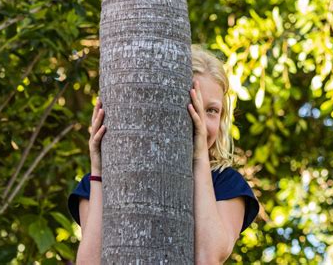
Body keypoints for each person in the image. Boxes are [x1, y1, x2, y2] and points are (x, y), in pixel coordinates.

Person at [67, 45, 259, 264]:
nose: (201, 122)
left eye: (211, 111)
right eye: (192, 107)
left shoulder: (227, 184)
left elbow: (208, 257)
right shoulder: (95, 183)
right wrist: (99, 172)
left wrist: (199, 159)